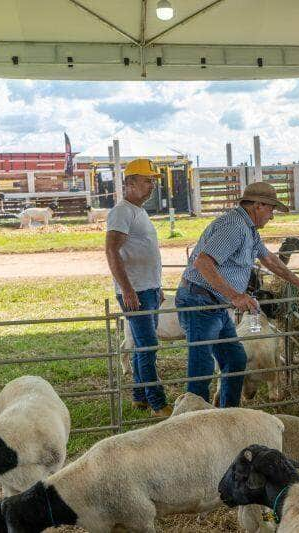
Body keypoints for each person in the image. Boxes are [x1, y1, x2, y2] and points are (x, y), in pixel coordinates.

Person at [177, 182, 299, 407]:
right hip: (201, 301)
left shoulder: (249, 229)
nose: (272, 216)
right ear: (259, 205)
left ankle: (229, 414)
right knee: (202, 367)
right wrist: (235, 295)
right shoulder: (234, 226)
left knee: (235, 360)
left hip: (216, 303)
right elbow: (203, 262)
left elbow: (269, 259)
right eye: (271, 209)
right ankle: (196, 422)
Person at [105, 159, 171, 416]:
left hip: (148, 289)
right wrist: (127, 289)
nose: (152, 185)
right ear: (130, 183)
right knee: (147, 345)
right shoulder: (122, 212)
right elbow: (111, 251)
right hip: (137, 292)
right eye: (147, 180)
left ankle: (140, 396)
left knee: (141, 344)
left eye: (153, 180)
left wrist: (156, 286)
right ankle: (157, 403)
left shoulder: (139, 211)